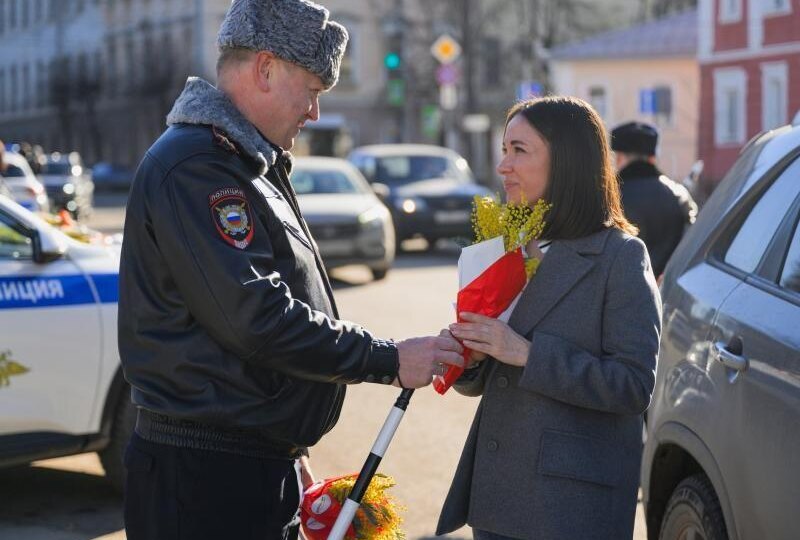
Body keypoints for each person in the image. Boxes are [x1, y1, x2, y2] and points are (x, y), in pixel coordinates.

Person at [117, 1, 463, 539]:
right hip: (206, 480)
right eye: (313, 89)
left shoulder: (240, 160)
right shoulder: (200, 167)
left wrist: (289, 447)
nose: (315, 112)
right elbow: (257, 318)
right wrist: (388, 359)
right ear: (266, 69)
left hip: (240, 463)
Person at [436, 96, 662, 540]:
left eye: (519, 150)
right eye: (504, 150)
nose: (503, 166)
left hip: (569, 506)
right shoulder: (508, 244)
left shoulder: (620, 255)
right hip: (498, 493)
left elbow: (633, 386)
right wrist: (472, 356)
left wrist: (527, 353)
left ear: (567, 160)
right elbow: (492, 376)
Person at [611, 121, 697, 280]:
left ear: (620, 158)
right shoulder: (678, 194)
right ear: (652, 158)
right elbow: (692, 243)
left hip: (619, 286)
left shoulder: (608, 195)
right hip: (668, 286)